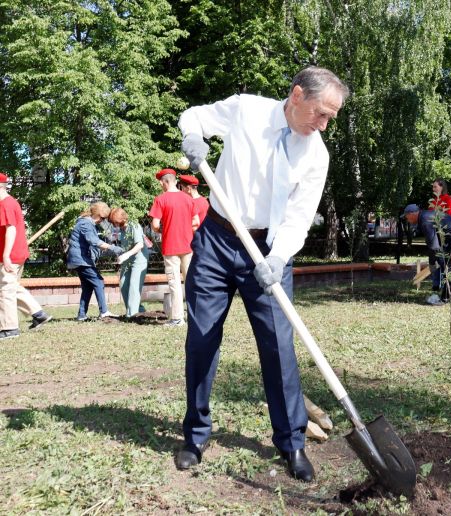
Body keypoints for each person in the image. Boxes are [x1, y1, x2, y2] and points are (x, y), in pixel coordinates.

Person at [176, 66, 348, 482]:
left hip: (268, 251)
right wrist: (194, 137)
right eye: (321, 113)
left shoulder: (316, 153)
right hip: (216, 240)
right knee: (202, 339)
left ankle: (291, 442)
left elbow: (300, 217)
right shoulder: (246, 111)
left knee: (278, 348)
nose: (324, 124)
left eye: (331, 118)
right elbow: (193, 116)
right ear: (296, 96)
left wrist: (279, 258)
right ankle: (195, 435)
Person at [0, 173, 53, 339]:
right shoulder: (10, 202)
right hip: (16, 253)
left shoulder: (5, 204)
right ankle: (38, 313)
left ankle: (9, 329)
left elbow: (11, 229)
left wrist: (6, 255)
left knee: (5, 291)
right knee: (12, 286)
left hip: (11, 255)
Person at [149, 169, 199, 327]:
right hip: (188, 246)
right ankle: (196, 316)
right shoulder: (188, 198)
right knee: (192, 281)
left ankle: (177, 318)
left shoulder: (160, 199)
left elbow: (155, 225)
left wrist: (165, 229)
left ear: (164, 182)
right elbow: (196, 222)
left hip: (170, 247)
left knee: (175, 284)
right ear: (175, 181)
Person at [66, 202, 124, 321]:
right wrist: (112, 248)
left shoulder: (87, 222)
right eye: (102, 218)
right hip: (80, 259)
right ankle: (104, 312)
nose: (102, 221)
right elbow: (93, 241)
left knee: (88, 286)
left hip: (81, 259)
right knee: (99, 281)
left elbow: (94, 242)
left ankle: (81, 315)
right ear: (97, 214)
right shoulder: (85, 223)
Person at [108, 207, 150, 317]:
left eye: (115, 222)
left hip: (139, 259)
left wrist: (126, 255)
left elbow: (140, 245)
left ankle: (132, 314)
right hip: (127, 259)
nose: (114, 225)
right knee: (123, 284)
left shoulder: (134, 225)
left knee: (134, 286)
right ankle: (138, 310)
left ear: (120, 219)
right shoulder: (121, 229)